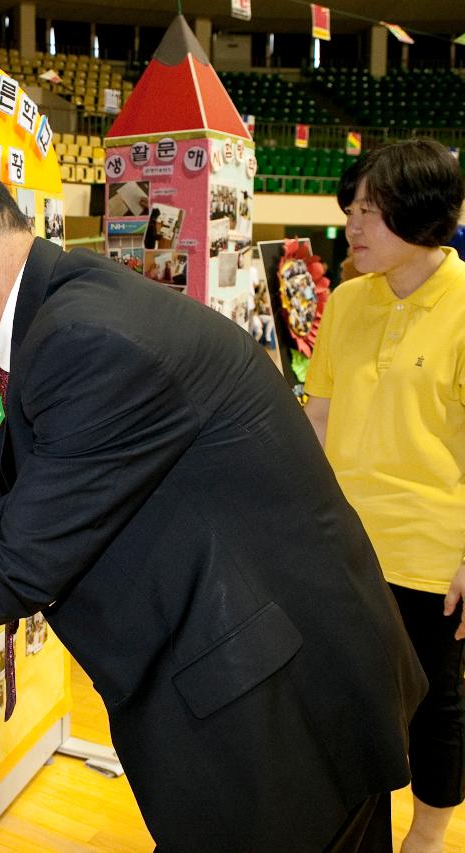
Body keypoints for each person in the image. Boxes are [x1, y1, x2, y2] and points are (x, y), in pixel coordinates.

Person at [0, 142, 427, 852]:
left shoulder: (85, 335)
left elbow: (14, 566)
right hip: (262, 670)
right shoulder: (64, 307)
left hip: (279, 703)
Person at [303, 139, 465, 853]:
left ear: (423, 215)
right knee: (345, 697)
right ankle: (360, 827)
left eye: (371, 212)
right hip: (345, 545)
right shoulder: (346, 300)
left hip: (433, 556)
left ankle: (428, 835)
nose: (353, 227)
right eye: (352, 210)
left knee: (434, 708)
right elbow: (319, 415)